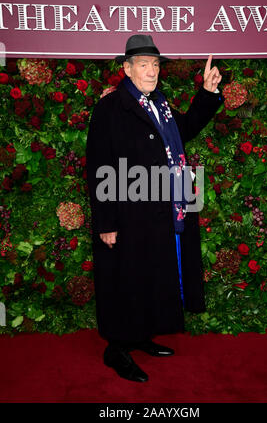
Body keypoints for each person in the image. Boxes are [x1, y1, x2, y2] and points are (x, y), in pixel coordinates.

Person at [86, 34, 223, 382]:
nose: (151, 71)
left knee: (147, 277)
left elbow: (187, 128)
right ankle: (116, 347)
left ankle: (139, 335)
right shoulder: (111, 106)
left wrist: (207, 93)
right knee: (124, 279)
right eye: (143, 64)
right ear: (127, 69)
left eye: (156, 64)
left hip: (160, 209)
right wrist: (106, 221)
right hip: (128, 213)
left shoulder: (159, 103)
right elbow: (99, 164)